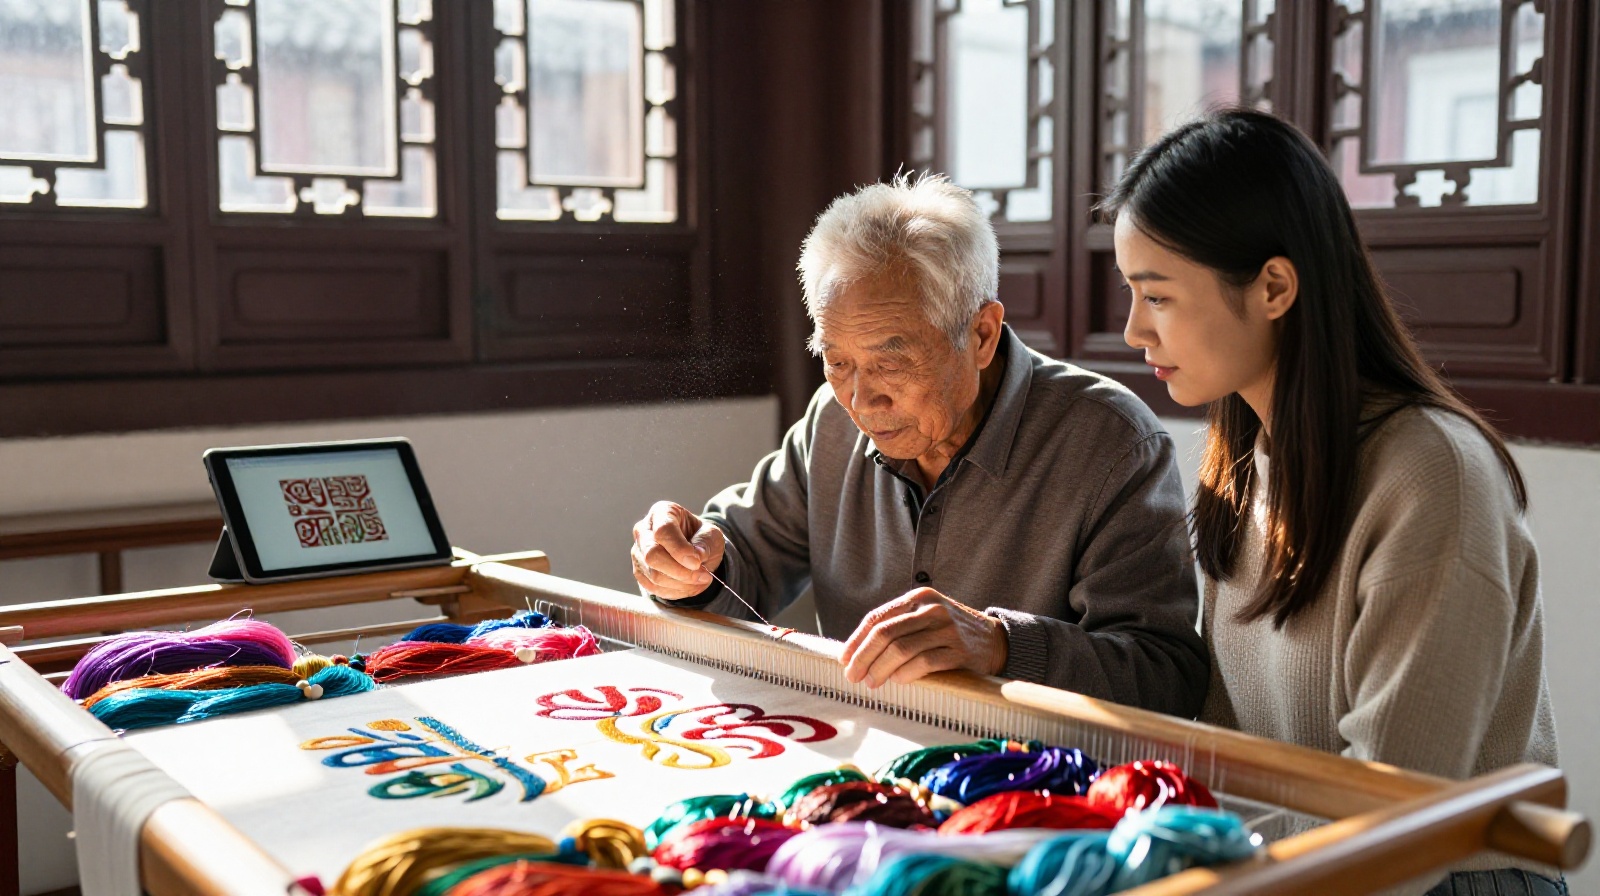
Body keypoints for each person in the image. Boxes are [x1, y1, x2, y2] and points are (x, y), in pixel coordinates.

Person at [1105, 108, 1562, 895]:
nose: (1132, 330)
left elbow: (1393, 819)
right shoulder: (1244, 461)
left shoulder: (1432, 476)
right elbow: (1224, 740)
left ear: (1275, 286)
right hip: (1291, 863)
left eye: (1159, 297)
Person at [629, 173, 1208, 717]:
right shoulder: (832, 422)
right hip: (875, 767)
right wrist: (688, 565)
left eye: (891, 360)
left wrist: (1003, 646)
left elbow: (1166, 679)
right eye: (836, 361)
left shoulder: (1109, 441)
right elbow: (743, 562)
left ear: (981, 335)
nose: (861, 399)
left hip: (1037, 783)